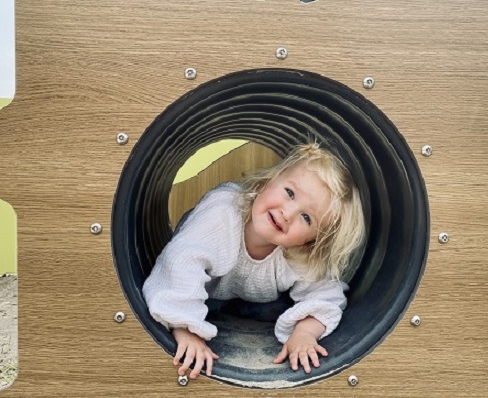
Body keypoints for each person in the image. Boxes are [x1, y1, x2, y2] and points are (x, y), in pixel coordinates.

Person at [142, 143, 365, 379]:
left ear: (310, 242)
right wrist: (185, 328)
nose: (287, 213)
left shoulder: (298, 254)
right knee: (194, 298)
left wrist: (305, 333)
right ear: (268, 181)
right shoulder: (222, 215)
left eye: (306, 217)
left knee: (279, 310)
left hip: (255, 302)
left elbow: (326, 296)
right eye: (290, 193)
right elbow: (181, 263)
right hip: (201, 291)